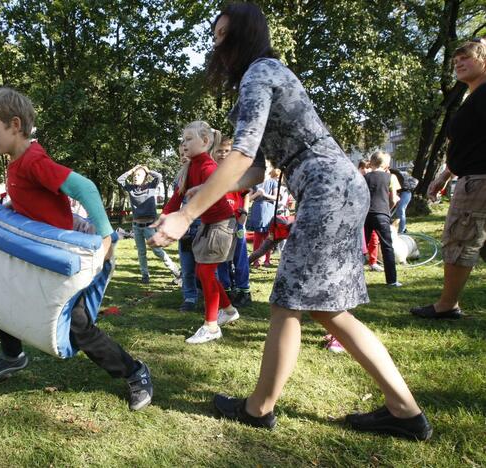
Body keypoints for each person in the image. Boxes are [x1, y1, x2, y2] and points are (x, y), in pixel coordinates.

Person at [148, 3, 431, 439]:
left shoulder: (260, 74)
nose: (215, 46)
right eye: (214, 36)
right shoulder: (265, 76)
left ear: (245, 35)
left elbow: (240, 152)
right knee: (327, 310)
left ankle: (259, 409)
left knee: (291, 304)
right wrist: (207, 195)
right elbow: (256, 168)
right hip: (334, 188)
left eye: (223, 36)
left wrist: (187, 215)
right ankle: (404, 412)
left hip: (326, 192)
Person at [0, 87, 153, 411]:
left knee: (79, 326)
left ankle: (135, 372)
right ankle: (12, 356)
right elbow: (35, 201)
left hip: (70, 258)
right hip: (41, 253)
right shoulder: (15, 162)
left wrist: (107, 236)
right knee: (3, 293)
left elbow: (86, 187)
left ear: (14, 124)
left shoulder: (32, 160)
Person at [411, 38, 486, 320]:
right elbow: (467, 144)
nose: (458, 64)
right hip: (471, 176)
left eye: (465, 58)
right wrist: (445, 174)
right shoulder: (474, 96)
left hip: (479, 181)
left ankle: (447, 304)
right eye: (455, 62)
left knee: (460, 240)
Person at [161, 121, 239, 344]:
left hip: (221, 225)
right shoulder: (191, 167)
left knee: (205, 273)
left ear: (205, 142)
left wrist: (182, 218)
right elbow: (178, 195)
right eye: (182, 140)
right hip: (209, 225)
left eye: (188, 139)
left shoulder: (208, 168)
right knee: (202, 272)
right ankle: (228, 309)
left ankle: (211, 326)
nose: (183, 144)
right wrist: (164, 217)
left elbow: (210, 198)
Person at [117, 164, 180, 285]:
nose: (135, 177)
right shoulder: (131, 189)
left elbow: (159, 177)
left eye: (139, 175)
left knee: (157, 251)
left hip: (149, 226)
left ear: (145, 177)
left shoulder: (151, 186)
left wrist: (147, 170)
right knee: (141, 252)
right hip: (136, 227)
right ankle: (145, 275)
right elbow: (120, 180)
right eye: (135, 176)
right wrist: (132, 170)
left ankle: (174, 269)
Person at [213, 136, 252, 307]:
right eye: (219, 151)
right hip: (218, 224)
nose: (222, 154)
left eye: (226, 151)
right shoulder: (211, 173)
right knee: (221, 259)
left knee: (240, 258)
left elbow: (246, 194)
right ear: (213, 153)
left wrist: (245, 212)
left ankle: (244, 290)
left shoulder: (236, 174)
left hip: (236, 222)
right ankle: (226, 289)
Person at [364, 151, 401, 287]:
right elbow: (393, 199)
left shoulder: (364, 177)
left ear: (371, 162)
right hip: (382, 214)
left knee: (361, 248)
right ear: (386, 163)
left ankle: (354, 277)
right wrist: (388, 210)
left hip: (366, 214)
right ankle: (391, 280)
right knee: (387, 247)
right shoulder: (391, 177)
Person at [176, 143, 202, 312]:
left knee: (207, 268)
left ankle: (211, 297)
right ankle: (190, 297)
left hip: (203, 227)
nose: (184, 156)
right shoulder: (179, 178)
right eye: (181, 154)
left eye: (187, 151)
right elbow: (175, 202)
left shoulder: (204, 173)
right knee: (187, 268)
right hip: (185, 229)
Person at [247, 168, 279, 268]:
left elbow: (276, 197)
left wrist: (265, 194)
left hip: (269, 209)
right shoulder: (254, 183)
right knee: (257, 237)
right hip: (257, 209)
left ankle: (267, 260)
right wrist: (257, 194)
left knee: (269, 236)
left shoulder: (273, 182)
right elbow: (248, 198)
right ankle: (255, 260)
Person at [390, 168, 418, 234]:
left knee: (400, 210)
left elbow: (399, 187)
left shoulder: (396, 175)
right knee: (396, 211)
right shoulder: (391, 174)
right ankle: (401, 228)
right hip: (400, 191)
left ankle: (402, 231)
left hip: (406, 192)